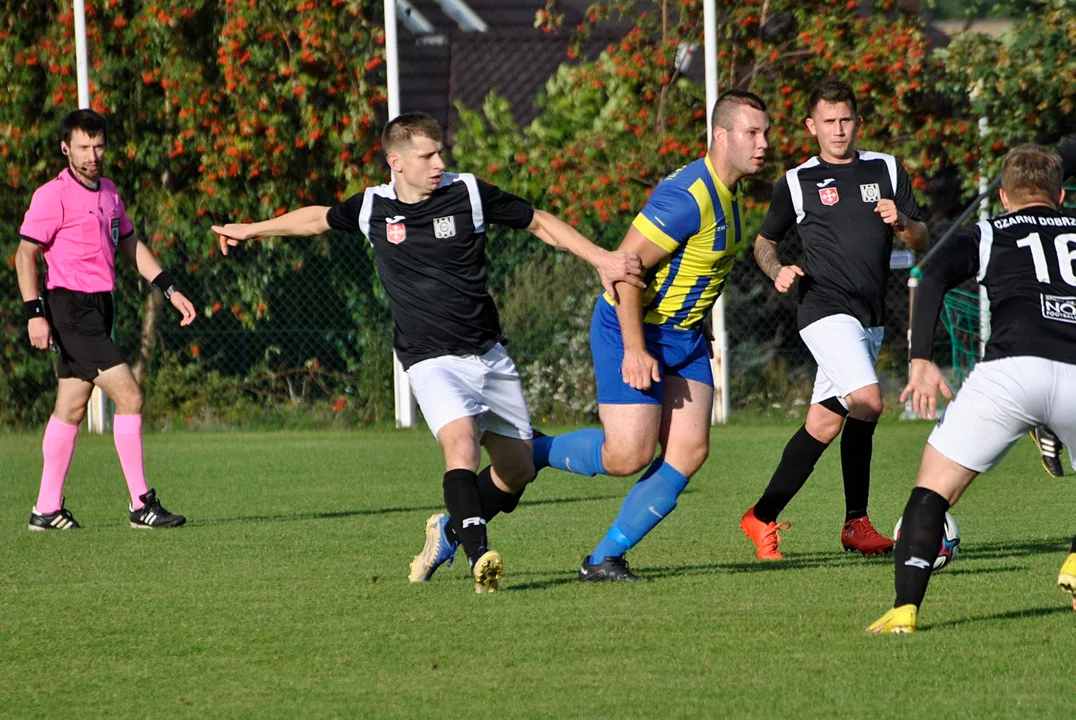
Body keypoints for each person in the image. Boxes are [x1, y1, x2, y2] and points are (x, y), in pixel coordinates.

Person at [212, 112, 644, 593]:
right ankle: (482, 557)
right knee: (459, 443)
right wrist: (251, 228)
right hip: (428, 358)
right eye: (427, 155)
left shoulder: (470, 193)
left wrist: (602, 259)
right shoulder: (373, 206)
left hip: (488, 354)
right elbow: (316, 219)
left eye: (441, 152)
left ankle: (449, 529)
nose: (440, 162)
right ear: (395, 162)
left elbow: (539, 222)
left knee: (517, 470)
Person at [525, 89, 771, 582]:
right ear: (720, 136)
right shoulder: (688, 196)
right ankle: (530, 451)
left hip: (683, 337)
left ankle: (603, 559)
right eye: (752, 132)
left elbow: (690, 268)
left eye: (765, 132)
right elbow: (621, 271)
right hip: (632, 331)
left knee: (689, 452)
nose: (763, 143)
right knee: (628, 456)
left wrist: (696, 317)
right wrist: (636, 349)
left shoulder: (731, 190)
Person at [869, 144, 1076, 632]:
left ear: (1004, 197)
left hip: (1009, 373)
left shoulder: (987, 232)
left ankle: (905, 608)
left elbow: (931, 272)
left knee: (932, 491)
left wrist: (921, 359)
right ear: (1062, 196)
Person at [740, 79, 929, 560]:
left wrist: (903, 223)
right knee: (868, 401)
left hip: (870, 316)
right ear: (812, 126)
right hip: (823, 308)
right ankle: (856, 523)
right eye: (829, 122)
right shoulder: (797, 181)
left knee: (823, 426)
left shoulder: (886, 168)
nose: (839, 130)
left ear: (858, 122)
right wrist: (778, 269)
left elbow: (922, 237)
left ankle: (760, 517)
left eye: (846, 120)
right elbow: (764, 241)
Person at [15, 109, 194, 531]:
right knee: (130, 396)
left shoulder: (110, 193)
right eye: (83, 147)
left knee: (71, 407)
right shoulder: (51, 195)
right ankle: (141, 504)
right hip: (69, 310)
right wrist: (34, 314)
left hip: (101, 308)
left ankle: (45, 509)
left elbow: (131, 246)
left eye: (98, 146)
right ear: (66, 148)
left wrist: (169, 287)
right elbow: (25, 254)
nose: (92, 154)